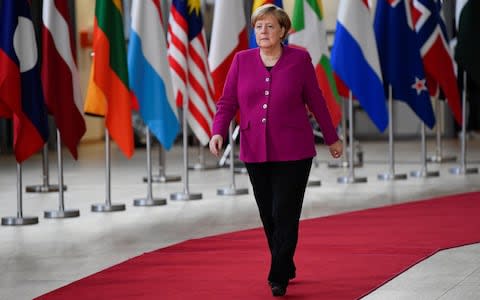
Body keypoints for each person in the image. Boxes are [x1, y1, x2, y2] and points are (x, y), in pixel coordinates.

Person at [209, 4, 343, 297]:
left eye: (270, 26)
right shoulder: (241, 61)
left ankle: (278, 274)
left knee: (285, 212)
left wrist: (332, 138)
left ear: (283, 31)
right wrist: (218, 131)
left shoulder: (300, 59)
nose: (263, 32)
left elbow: (316, 101)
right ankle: (285, 261)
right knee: (268, 213)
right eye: (259, 26)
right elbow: (227, 101)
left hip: (294, 150)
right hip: (254, 149)